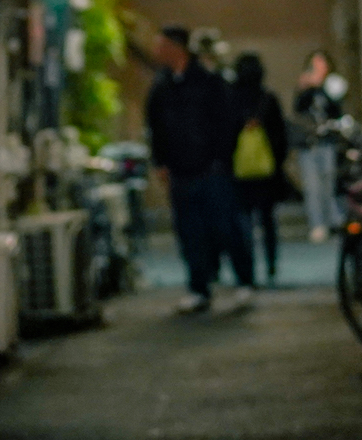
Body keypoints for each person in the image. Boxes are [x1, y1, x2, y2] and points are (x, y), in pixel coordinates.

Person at [144, 25, 254, 314]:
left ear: (177, 47)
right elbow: (155, 127)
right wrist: (161, 162)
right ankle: (198, 288)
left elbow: (227, 122)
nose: (158, 51)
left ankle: (244, 281)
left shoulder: (209, 82)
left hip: (212, 170)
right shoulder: (162, 85)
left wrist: (220, 158)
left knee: (226, 227)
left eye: (162, 45)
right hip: (181, 171)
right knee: (190, 232)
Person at [228, 54, 291, 284]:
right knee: (267, 221)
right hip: (266, 172)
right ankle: (271, 264)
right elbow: (281, 136)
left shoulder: (231, 98)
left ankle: (246, 270)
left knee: (242, 222)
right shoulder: (267, 98)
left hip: (239, 171)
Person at [294, 50, 344, 243]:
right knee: (312, 185)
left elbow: (335, 107)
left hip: (327, 140)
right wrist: (306, 88)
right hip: (309, 142)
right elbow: (298, 108)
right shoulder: (306, 84)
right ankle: (317, 223)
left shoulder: (334, 83)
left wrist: (320, 87)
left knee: (328, 181)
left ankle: (333, 219)